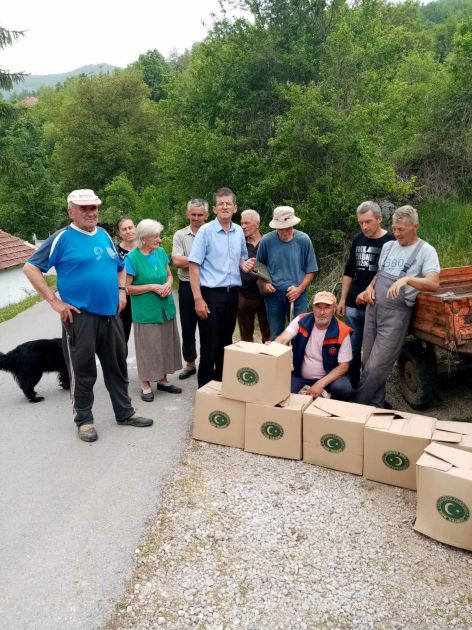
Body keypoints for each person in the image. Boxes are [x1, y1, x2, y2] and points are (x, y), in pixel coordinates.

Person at [23, 189, 153, 443]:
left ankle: (124, 412)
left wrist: (122, 291)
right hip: (80, 318)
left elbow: (120, 266)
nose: (90, 212)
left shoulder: (104, 235)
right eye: (84, 208)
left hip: (110, 315)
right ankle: (84, 420)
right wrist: (55, 302)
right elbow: (31, 267)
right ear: (71, 211)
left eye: (93, 207)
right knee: (83, 371)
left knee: (116, 367)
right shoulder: (62, 238)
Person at [353, 205, 440, 408]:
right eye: (394, 228)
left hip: (396, 315)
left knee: (376, 367)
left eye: (401, 229)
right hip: (373, 308)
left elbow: (434, 283)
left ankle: (356, 405)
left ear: (415, 226)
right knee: (367, 361)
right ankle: (376, 405)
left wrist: (408, 280)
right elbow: (379, 274)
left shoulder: (426, 251)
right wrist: (369, 288)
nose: (397, 233)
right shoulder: (388, 246)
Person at [188, 187, 256, 387]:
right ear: (215, 209)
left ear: (235, 208)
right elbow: (193, 266)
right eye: (221, 204)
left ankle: (220, 389)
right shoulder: (205, 232)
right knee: (210, 344)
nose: (225, 207)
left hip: (233, 294)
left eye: (228, 204)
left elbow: (241, 260)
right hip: (210, 294)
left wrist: (245, 265)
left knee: (226, 342)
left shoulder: (237, 233)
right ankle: (204, 392)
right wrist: (198, 299)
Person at [337, 201, 394, 388]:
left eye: (368, 222)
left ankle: (369, 390)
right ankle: (352, 388)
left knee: (373, 353)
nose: (364, 227)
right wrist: (343, 299)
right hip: (354, 304)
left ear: (379, 219)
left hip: (376, 305)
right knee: (351, 349)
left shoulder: (391, 241)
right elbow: (349, 270)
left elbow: (390, 274)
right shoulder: (358, 239)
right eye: (361, 222)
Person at [125, 219, 183, 401]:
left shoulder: (160, 252)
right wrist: (151, 286)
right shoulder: (132, 258)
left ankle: (163, 380)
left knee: (165, 343)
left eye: (158, 235)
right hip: (146, 310)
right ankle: (145, 384)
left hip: (165, 307)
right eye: (155, 236)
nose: (159, 240)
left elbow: (168, 275)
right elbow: (127, 288)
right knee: (148, 347)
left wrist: (168, 284)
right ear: (143, 239)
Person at [274, 291, 353, 400]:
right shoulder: (301, 320)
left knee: (343, 389)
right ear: (312, 308)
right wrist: (272, 347)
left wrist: (320, 384)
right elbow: (283, 338)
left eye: (327, 307)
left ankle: (331, 409)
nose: (322, 312)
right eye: (318, 307)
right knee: (280, 388)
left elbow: (344, 366)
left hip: (329, 379)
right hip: (302, 377)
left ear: (334, 309)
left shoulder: (342, 331)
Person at [256, 206, 318, 340]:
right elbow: (259, 266)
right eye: (281, 228)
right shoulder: (267, 240)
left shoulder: (303, 239)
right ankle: (277, 361)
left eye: (288, 228)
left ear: (293, 224)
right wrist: (264, 283)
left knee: (300, 334)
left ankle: (297, 361)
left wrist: (299, 289)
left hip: (298, 294)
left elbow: (311, 270)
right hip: (274, 295)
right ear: (276, 227)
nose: (285, 232)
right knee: (276, 335)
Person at [172, 199, 209, 379]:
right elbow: (176, 261)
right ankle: (190, 363)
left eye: (200, 215)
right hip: (186, 285)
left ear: (206, 216)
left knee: (208, 327)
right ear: (188, 214)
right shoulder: (180, 235)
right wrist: (201, 259)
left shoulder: (212, 232)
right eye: (193, 214)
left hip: (208, 286)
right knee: (188, 327)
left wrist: (189, 259)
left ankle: (207, 363)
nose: (196, 218)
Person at [237, 209, 270, 343]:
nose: (243, 226)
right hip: (244, 295)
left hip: (267, 296)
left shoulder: (268, 242)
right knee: (246, 336)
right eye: (241, 223)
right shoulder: (238, 243)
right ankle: (249, 363)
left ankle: (268, 363)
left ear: (257, 224)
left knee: (268, 335)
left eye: (246, 223)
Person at [115, 216, 137, 348]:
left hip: (143, 298)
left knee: (146, 336)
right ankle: (121, 367)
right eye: (124, 229)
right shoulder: (115, 251)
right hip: (124, 299)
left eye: (130, 227)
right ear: (119, 233)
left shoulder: (144, 248)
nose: (128, 231)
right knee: (122, 336)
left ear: (135, 228)